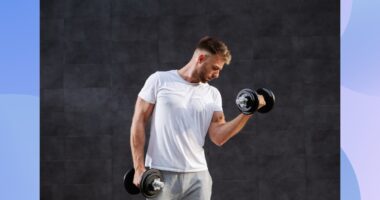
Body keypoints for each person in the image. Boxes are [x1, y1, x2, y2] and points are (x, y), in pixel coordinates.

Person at [130, 36, 265, 200]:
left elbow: (218, 137)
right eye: (215, 68)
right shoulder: (159, 80)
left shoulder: (212, 94)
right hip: (161, 174)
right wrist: (138, 167)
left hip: (198, 177)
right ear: (201, 58)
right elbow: (138, 122)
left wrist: (248, 112)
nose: (217, 74)